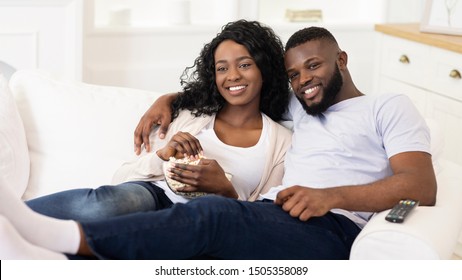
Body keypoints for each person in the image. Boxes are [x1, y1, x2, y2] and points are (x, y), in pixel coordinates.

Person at [0, 26, 436, 260]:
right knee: (164, 218)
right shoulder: (302, 104)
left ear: (342, 60)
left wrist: (330, 197)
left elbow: (420, 185)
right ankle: (36, 248)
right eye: (294, 75)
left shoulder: (387, 106)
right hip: (270, 214)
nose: (304, 81)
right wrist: (167, 99)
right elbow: (234, 87)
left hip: (331, 228)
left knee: (212, 216)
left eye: (314, 67)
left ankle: (59, 237)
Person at [24, 20, 292, 222]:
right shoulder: (191, 115)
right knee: (102, 205)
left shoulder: (280, 141)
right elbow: (120, 178)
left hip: (205, 220)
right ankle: (14, 219)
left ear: (264, 69)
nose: (232, 76)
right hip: (154, 195)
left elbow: (264, 217)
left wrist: (227, 191)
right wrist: (162, 156)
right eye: (222, 68)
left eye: (244, 64)